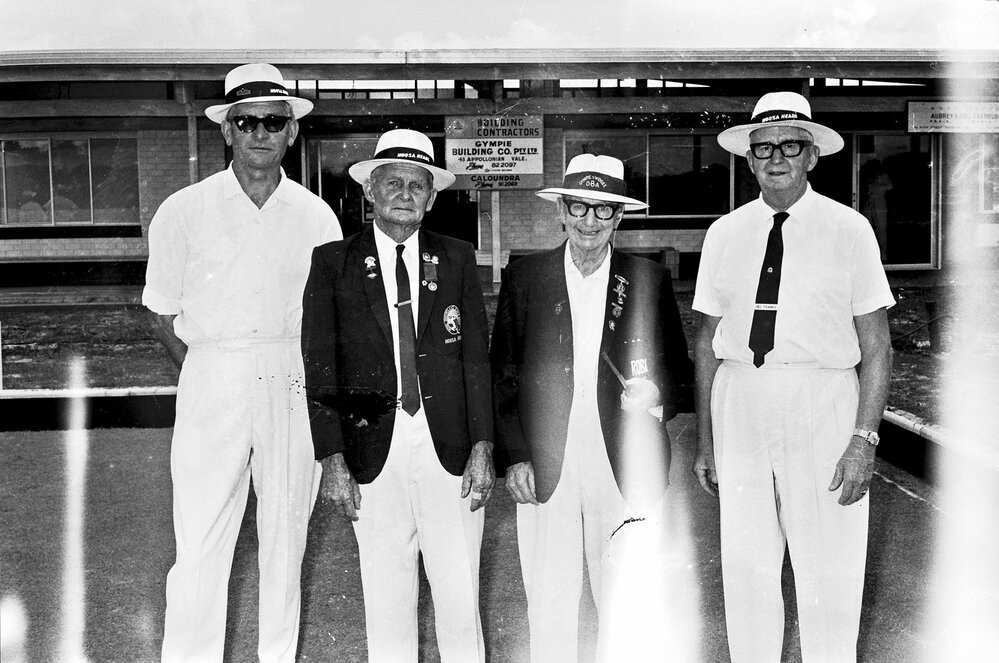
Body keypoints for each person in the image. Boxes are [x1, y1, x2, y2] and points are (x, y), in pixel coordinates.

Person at [143, 62, 342, 663]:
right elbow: (160, 313)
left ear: (292, 133)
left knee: (286, 540)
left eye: (273, 121)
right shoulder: (184, 210)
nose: (261, 131)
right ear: (226, 131)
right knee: (200, 542)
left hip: (290, 377)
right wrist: (207, 376)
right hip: (212, 374)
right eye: (246, 121)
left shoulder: (318, 218)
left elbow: (328, 324)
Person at [692, 91, 894, 663]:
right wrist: (708, 439)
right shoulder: (724, 233)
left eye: (789, 146)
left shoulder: (849, 229)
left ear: (811, 155)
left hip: (823, 399)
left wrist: (864, 439)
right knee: (748, 563)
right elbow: (705, 342)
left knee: (829, 564)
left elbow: (877, 349)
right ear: (749, 159)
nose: (775, 157)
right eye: (763, 148)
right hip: (742, 399)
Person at [301, 128, 494, 663]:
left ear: (432, 198)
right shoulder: (331, 261)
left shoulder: (456, 258)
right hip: (372, 451)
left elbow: (477, 356)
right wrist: (331, 456)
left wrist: (483, 447)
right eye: (393, 182)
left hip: (449, 453)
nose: (405, 193)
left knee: (459, 602)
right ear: (369, 191)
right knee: (386, 603)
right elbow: (320, 368)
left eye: (418, 184)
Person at [491, 154, 693, 662]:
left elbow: (677, 370)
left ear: (619, 218)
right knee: (550, 593)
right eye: (579, 207)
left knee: (624, 593)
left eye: (603, 211)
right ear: (561, 210)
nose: (589, 222)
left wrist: (656, 395)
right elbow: (503, 373)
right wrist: (515, 455)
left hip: (624, 454)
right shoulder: (526, 277)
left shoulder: (646, 278)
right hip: (546, 454)